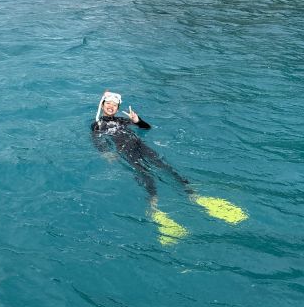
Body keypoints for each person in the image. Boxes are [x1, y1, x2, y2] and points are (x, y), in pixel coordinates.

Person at [91, 90, 246, 245]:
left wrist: (138, 121)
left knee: (165, 167)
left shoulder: (122, 121)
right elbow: (97, 140)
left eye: (115, 105)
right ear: (103, 105)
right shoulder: (98, 124)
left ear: (118, 108)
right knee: (145, 174)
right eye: (108, 103)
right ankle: (154, 206)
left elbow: (146, 128)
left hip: (141, 146)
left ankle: (193, 195)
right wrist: (105, 153)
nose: (111, 106)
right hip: (126, 150)